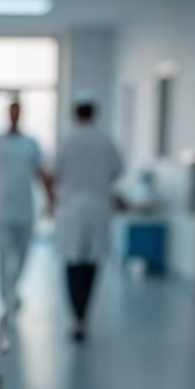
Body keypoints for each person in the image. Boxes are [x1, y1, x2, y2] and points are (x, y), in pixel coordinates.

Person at [0, 100, 53, 319]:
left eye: (18, 113)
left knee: (22, 258)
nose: (15, 116)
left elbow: (42, 174)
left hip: (25, 209)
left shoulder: (31, 143)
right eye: (12, 113)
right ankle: (7, 302)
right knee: (4, 257)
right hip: (1, 209)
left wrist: (50, 200)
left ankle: (11, 293)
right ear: (7, 114)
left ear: (22, 115)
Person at [53, 100, 124, 341]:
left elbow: (55, 172)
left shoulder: (67, 140)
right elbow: (117, 170)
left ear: (75, 115)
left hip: (71, 209)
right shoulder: (106, 141)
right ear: (95, 114)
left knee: (72, 263)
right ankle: (84, 316)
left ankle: (77, 317)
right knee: (91, 264)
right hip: (97, 208)